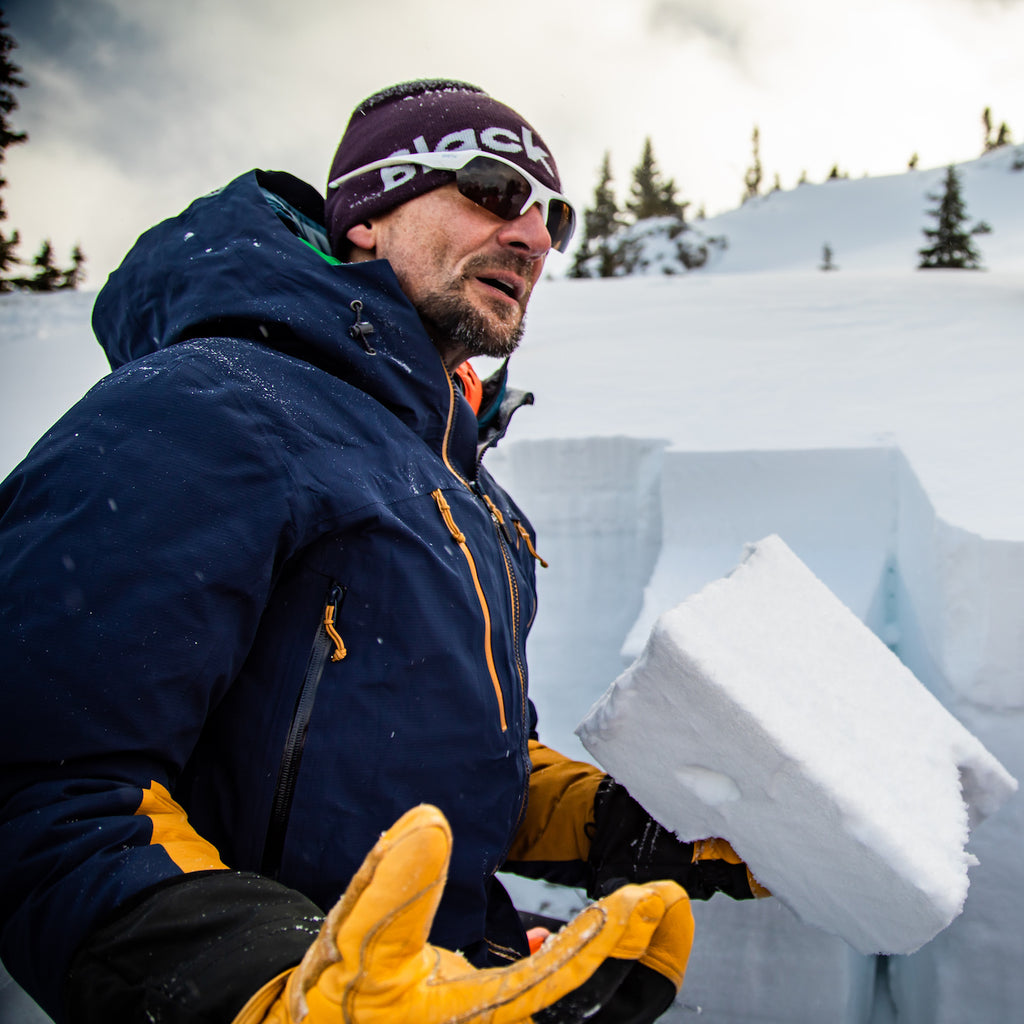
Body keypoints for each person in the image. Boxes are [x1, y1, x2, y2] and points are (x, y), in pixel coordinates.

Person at [0, 80, 763, 1024]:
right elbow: (49, 782)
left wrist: (633, 823)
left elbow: (458, 765)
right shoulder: (205, 408)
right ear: (366, 215)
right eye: (491, 188)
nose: (532, 235)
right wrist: (274, 983)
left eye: (551, 214)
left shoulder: (471, 499)